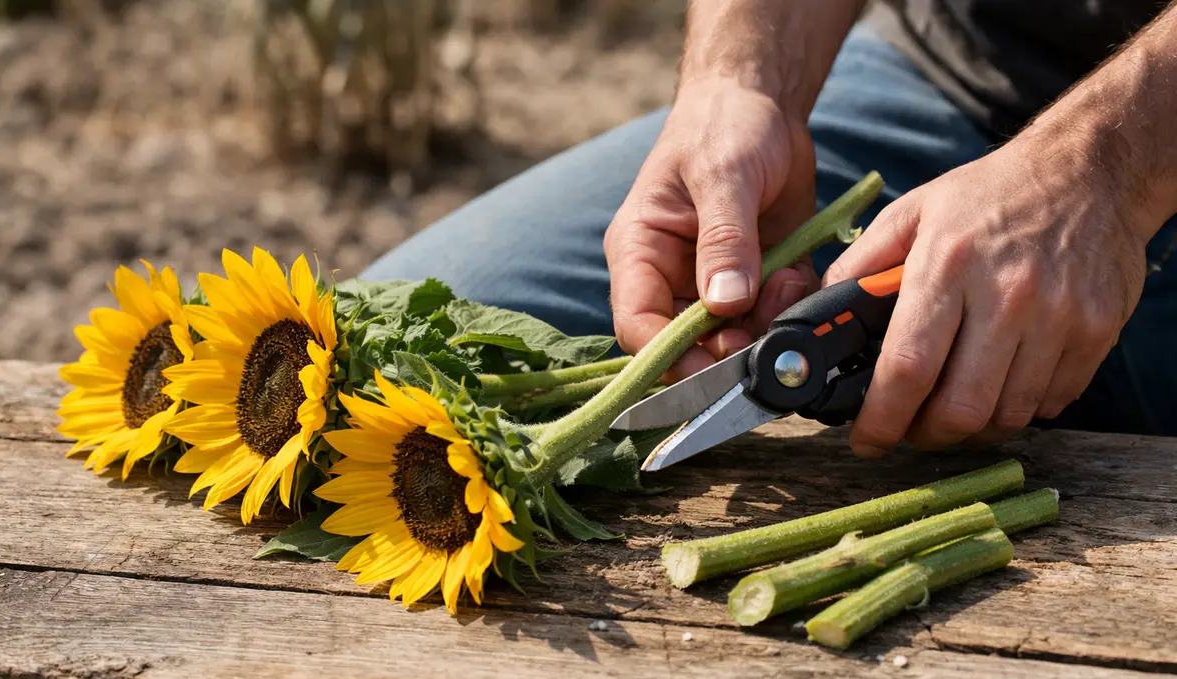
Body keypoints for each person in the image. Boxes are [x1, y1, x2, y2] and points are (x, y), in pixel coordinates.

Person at [360, 1, 1177, 458]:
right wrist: (744, 78)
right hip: (946, 78)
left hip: (1135, 132)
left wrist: (1105, 168)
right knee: (375, 365)